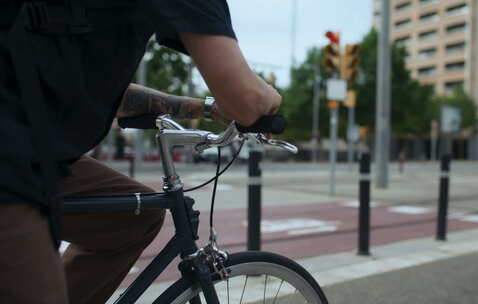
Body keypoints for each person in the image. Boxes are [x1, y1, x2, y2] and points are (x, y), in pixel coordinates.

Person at [0, 0, 281, 303]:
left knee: (135, 216)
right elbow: (246, 100)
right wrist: (267, 99)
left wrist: (207, 107)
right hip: (11, 160)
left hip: (34, 152)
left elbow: (111, 95)